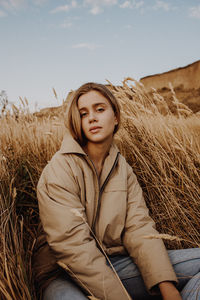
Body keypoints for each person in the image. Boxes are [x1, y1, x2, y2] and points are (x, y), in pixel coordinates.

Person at [33, 82, 200, 300]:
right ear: (77, 122)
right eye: (83, 114)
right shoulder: (59, 169)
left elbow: (139, 229)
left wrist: (168, 288)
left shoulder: (123, 170)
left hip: (114, 264)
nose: (92, 118)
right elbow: (73, 249)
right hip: (63, 273)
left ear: (116, 116)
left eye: (100, 109)